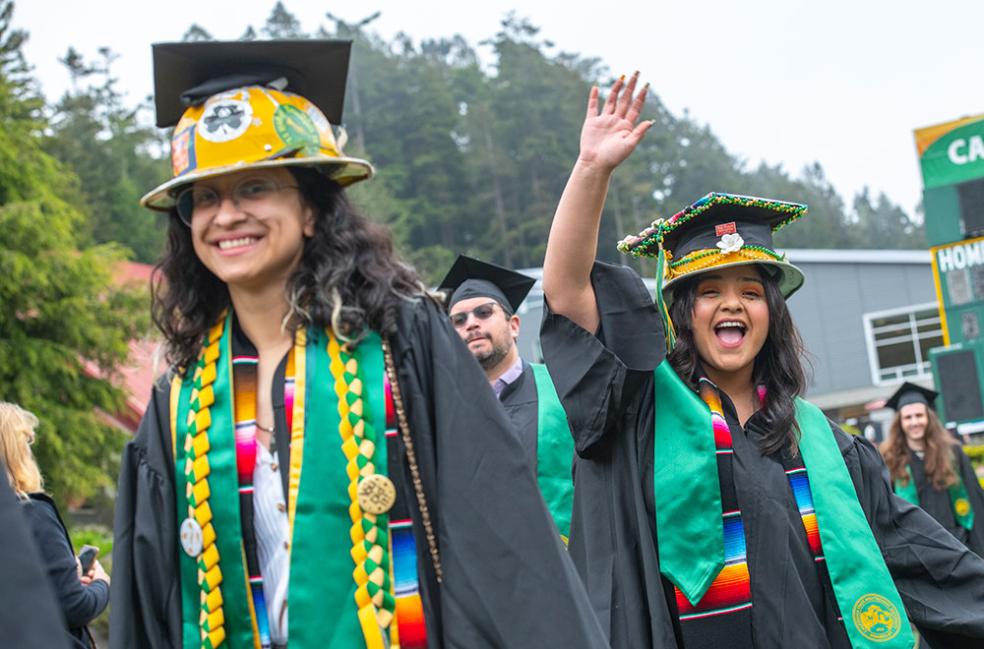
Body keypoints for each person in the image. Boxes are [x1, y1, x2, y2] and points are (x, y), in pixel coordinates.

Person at [110, 40, 605, 649]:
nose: (227, 215)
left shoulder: (402, 344)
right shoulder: (180, 398)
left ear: (313, 209)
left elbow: (500, 542)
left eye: (255, 187)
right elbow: (153, 598)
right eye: (203, 198)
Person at [539, 72, 984, 648]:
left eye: (752, 291)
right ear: (680, 311)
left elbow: (918, 554)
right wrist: (592, 171)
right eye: (709, 291)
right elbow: (569, 294)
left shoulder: (824, 443)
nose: (732, 304)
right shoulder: (640, 415)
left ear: (773, 312)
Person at [439, 256, 575, 539]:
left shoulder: (561, 386)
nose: (472, 324)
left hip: (571, 563)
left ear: (514, 325)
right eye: (459, 320)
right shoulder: (443, 411)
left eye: (484, 312)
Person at [0, 402, 109, 648]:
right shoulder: (33, 513)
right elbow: (74, 607)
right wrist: (102, 584)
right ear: (18, 451)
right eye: (27, 442)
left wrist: (66, 577)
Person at [880, 382, 984, 556]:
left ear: (929, 417)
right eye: (908, 417)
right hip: (918, 551)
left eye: (919, 415)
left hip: (959, 545)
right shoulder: (891, 459)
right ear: (900, 422)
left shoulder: (952, 452)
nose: (914, 422)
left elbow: (974, 497)